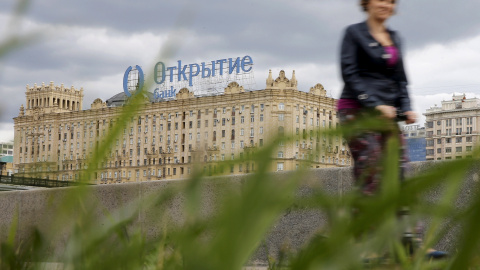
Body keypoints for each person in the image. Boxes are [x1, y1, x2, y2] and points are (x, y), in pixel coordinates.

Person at [337, 0, 447, 259]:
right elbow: (350, 74)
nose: (385, 4)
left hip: (388, 116)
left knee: (401, 175)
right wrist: (374, 104)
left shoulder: (394, 37)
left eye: (390, 0)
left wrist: (407, 108)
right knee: (371, 173)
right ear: (367, 3)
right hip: (357, 111)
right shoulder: (354, 34)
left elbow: (401, 81)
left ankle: (414, 243)